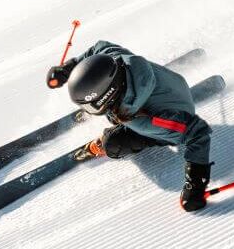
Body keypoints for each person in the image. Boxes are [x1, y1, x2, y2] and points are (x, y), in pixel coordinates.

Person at [47, 40, 213, 211]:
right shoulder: (115, 58)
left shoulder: (146, 120)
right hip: (171, 83)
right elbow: (99, 47)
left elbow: (197, 132)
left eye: (90, 106)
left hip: (170, 120)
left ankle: (108, 142)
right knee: (116, 116)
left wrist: (196, 184)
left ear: (108, 97)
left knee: (113, 144)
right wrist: (69, 68)